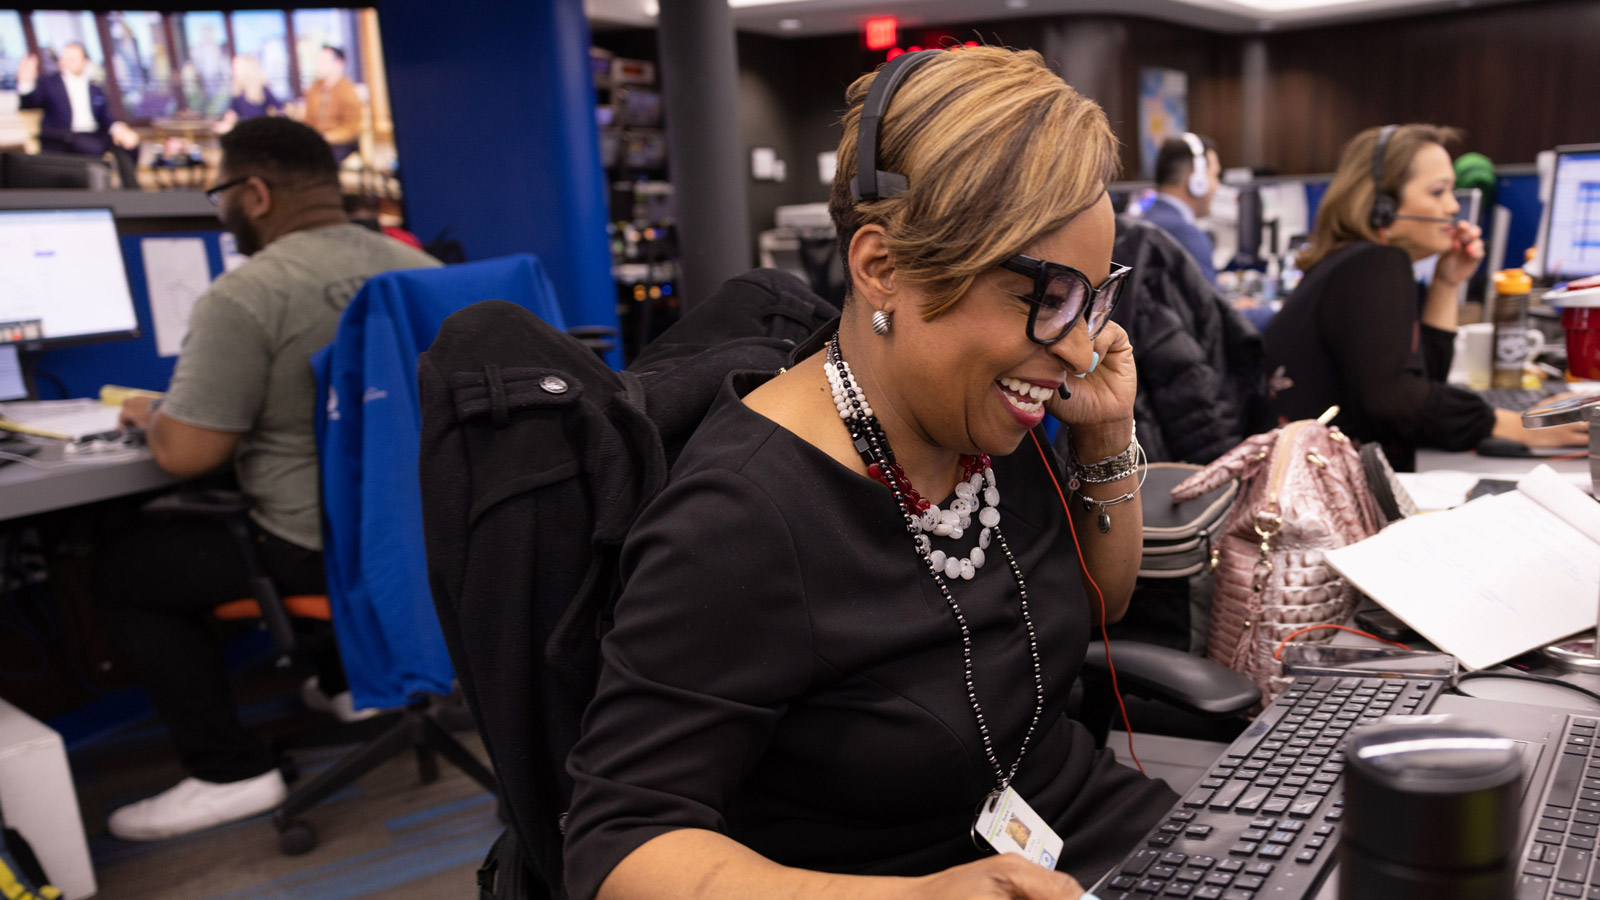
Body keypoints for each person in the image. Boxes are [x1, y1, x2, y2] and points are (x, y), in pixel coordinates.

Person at [564, 46, 1174, 900]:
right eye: (1048, 298)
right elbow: (620, 846)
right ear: (881, 267)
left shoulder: (989, 415)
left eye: (1093, 300)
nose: (1076, 347)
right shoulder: (744, 514)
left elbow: (1094, 606)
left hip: (1103, 835)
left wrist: (1105, 432)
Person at [100, 117, 439, 842]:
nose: (217, 209)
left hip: (317, 542)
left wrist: (151, 410)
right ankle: (354, 684)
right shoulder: (418, 269)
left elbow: (186, 455)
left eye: (219, 192)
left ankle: (229, 771)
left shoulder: (246, 294)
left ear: (253, 194)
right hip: (428, 523)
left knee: (127, 570)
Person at [1264, 124, 1587, 471]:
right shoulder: (1375, 263)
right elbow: (1394, 401)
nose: (1453, 206)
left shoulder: (1347, 264)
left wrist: (1447, 283)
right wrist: (1518, 425)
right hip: (1322, 487)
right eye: (1437, 192)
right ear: (1382, 205)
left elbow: (1416, 385)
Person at [16, 43, 140, 187]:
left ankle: (131, 189)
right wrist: (25, 83)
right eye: (64, 58)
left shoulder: (95, 89)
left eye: (72, 59)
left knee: (129, 144)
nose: (66, 62)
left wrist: (120, 129)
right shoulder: (49, 83)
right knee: (92, 147)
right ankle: (99, 191)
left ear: (85, 62)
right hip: (63, 136)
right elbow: (29, 103)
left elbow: (106, 118)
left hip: (95, 134)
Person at [1143, 133, 1220, 285]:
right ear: (1197, 182)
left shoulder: (1145, 220)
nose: (1217, 186)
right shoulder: (1187, 236)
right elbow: (1211, 308)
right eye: (1215, 176)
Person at [301, 45, 361, 164]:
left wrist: (329, 136)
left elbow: (352, 128)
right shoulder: (313, 89)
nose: (318, 65)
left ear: (338, 64)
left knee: (323, 161)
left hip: (340, 143)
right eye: (318, 61)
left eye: (323, 61)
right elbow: (308, 121)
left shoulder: (347, 90)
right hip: (316, 140)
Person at [213, 55, 281, 135]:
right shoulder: (238, 93)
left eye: (235, 68)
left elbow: (277, 110)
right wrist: (225, 124)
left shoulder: (263, 90)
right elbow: (231, 113)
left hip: (262, 133)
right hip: (246, 133)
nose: (233, 72)